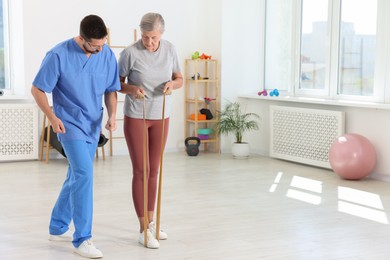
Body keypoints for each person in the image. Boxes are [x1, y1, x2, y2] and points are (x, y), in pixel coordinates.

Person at [31, 14, 120, 259]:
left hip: (93, 126)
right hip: (68, 124)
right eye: (95, 45)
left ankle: (57, 226)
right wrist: (52, 117)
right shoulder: (58, 55)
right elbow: (37, 89)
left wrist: (112, 116)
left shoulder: (107, 54)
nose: (100, 49)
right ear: (81, 39)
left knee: (75, 176)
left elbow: (112, 90)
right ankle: (82, 238)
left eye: (103, 44)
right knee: (84, 174)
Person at [118, 12, 183, 249]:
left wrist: (171, 85)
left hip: (161, 116)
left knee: (154, 170)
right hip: (137, 114)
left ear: (161, 34)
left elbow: (179, 79)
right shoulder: (129, 53)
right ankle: (143, 228)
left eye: (153, 37)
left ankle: (153, 222)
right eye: (146, 37)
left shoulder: (170, 49)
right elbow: (117, 83)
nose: (149, 43)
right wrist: (132, 89)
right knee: (141, 170)